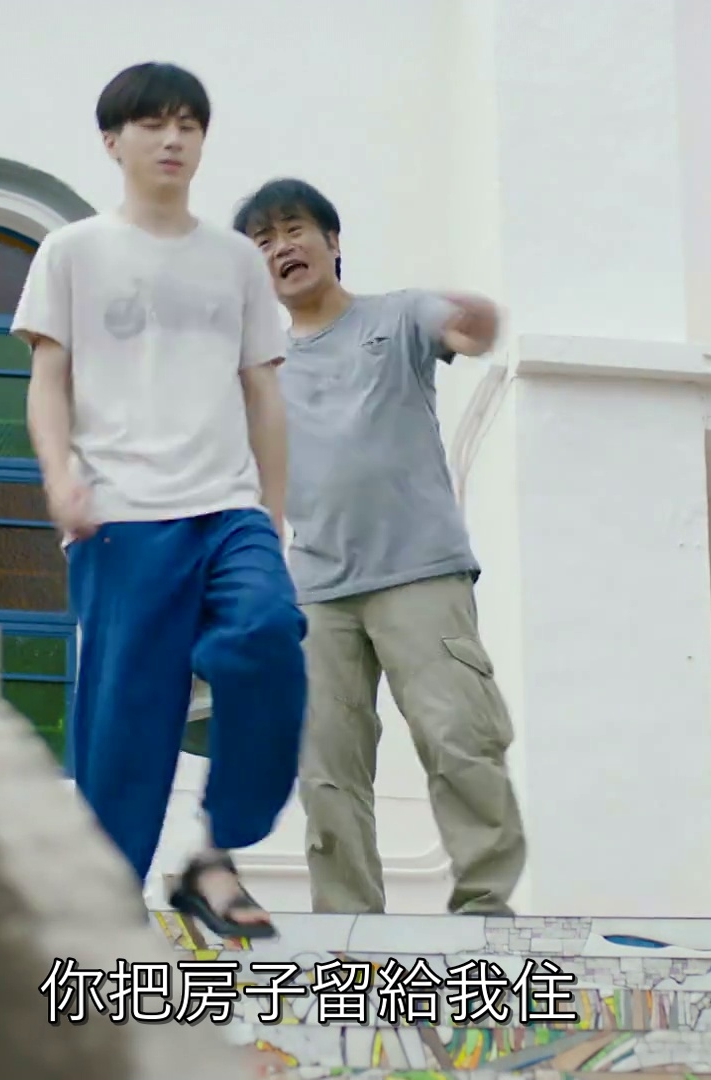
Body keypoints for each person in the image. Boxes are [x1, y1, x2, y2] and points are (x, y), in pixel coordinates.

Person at [12, 63, 306, 939]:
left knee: (266, 636)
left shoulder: (236, 261)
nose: (173, 139)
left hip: (228, 509)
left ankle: (215, 853)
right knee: (127, 721)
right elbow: (48, 378)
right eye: (153, 124)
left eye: (189, 124)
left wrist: (272, 514)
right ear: (114, 141)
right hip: (120, 514)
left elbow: (263, 392)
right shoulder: (72, 250)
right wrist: (59, 476)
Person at [231, 178, 527, 915]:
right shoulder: (259, 370)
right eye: (262, 242)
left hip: (419, 571)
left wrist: (476, 320)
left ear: (332, 241)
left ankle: (484, 912)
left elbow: (465, 331)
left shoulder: (397, 316)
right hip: (316, 590)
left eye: (293, 229)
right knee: (325, 767)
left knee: (458, 737)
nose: (280, 248)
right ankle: (347, 929)